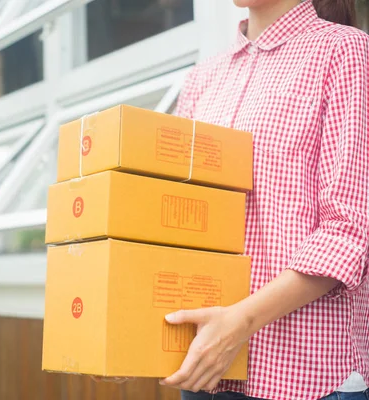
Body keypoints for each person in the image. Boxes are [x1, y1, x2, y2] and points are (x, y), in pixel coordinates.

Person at [157, 1, 369, 399]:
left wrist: (238, 323)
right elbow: (178, 228)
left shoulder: (345, 52)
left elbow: (348, 232)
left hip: (305, 377)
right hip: (206, 371)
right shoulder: (202, 78)